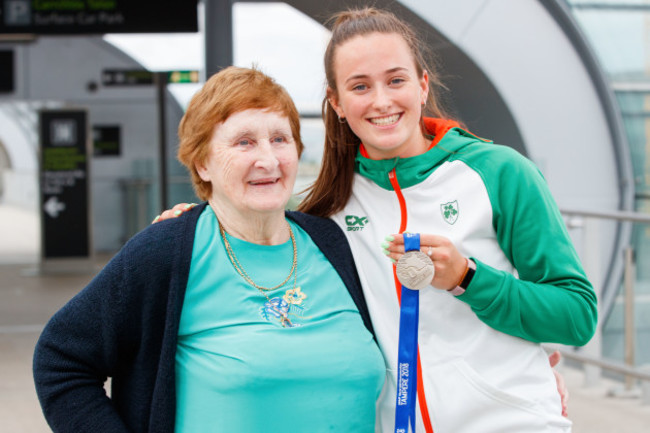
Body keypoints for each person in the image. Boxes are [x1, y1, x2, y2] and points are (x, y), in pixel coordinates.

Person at [158, 8, 592, 432]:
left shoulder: (500, 172)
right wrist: (196, 222)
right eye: (360, 86)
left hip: (511, 420)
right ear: (337, 103)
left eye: (396, 80)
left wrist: (470, 277)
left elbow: (576, 316)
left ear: (422, 85)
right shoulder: (326, 212)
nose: (382, 101)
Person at [32, 66, 385, 433]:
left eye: (280, 139)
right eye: (244, 142)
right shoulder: (167, 251)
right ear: (202, 163)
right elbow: (61, 360)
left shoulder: (332, 243)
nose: (268, 160)